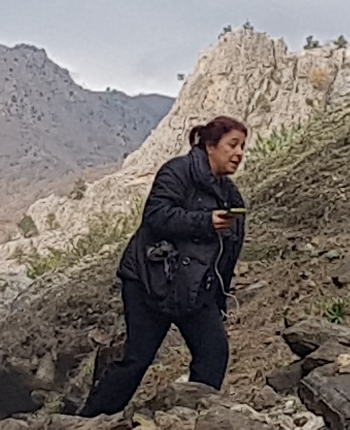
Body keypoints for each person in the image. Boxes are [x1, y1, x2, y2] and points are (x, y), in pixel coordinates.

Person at [83, 117, 249, 414]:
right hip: (150, 281)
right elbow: (156, 216)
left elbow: (229, 253)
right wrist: (205, 221)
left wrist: (218, 301)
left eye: (243, 147)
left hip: (195, 289)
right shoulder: (177, 171)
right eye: (232, 145)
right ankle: (86, 425)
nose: (239, 153)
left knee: (214, 353)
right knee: (137, 358)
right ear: (210, 146)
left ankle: (194, 419)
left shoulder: (230, 194)